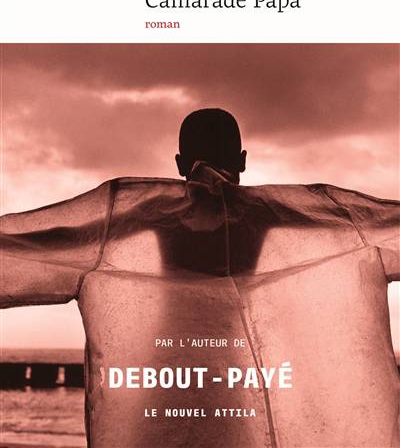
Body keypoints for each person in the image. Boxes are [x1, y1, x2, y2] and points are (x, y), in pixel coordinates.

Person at [1, 108, 399, 448]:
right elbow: (362, 227)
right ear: (242, 159)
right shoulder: (268, 214)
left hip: (170, 366)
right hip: (234, 371)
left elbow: (49, 243)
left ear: (179, 164)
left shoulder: (146, 214)